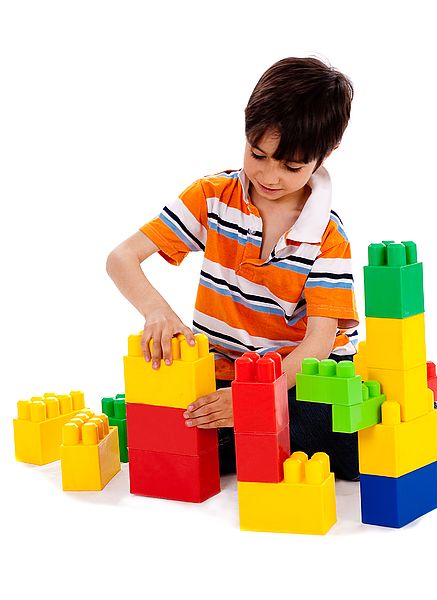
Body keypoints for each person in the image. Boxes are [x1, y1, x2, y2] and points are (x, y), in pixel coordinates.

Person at [106, 56, 360, 480]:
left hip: (299, 380)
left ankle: (255, 436)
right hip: (229, 371)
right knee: (184, 421)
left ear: (326, 154)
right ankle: (241, 435)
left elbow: (318, 344)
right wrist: (158, 312)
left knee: (331, 434)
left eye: (292, 166)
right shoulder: (213, 197)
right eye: (258, 154)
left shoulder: (328, 236)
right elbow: (121, 258)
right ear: (246, 128)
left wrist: (257, 401)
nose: (269, 175)